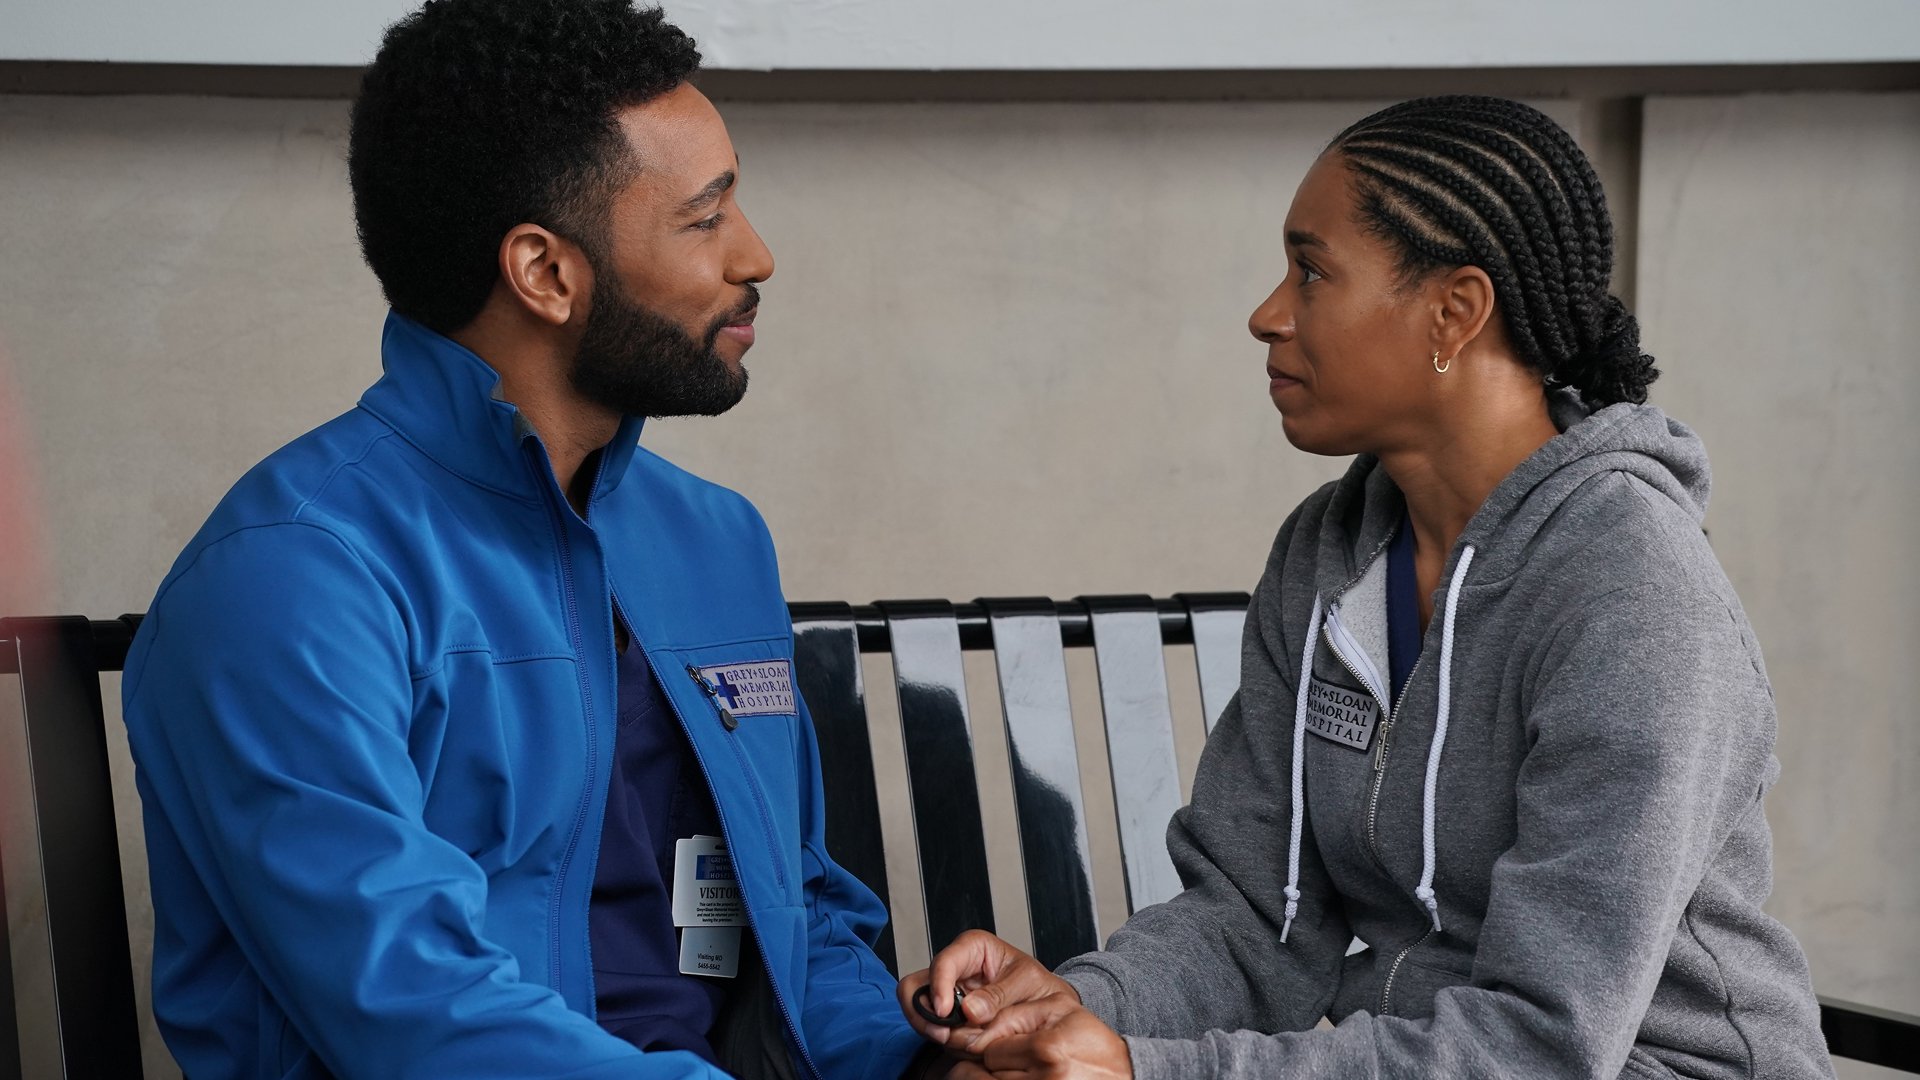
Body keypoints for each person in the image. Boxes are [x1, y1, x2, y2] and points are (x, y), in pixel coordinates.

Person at [897, 96, 1834, 1079]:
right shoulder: (1329, 552)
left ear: (1454, 312)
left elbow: (1545, 1044)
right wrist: (1072, 1011)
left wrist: (1149, 1071)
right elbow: (1259, 919)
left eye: (1312, 273)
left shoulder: (1632, 597)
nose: (1268, 314)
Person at [122, 2, 941, 1077]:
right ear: (545, 273)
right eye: (706, 218)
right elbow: (409, 1008)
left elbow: (796, 918)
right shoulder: (290, 578)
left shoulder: (715, 541)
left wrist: (920, 1063)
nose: (759, 255)